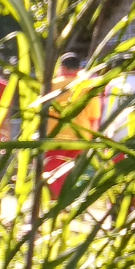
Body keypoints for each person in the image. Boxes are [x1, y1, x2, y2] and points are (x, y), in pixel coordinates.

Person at [43, 53, 102, 199]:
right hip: (80, 138)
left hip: (55, 138)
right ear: (79, 68)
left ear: (62, 67)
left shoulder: (51, 85)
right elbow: (94, 117)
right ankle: (65, 204)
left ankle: (57, 206)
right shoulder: (88, 86)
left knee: (52, 175)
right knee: (70, 175)